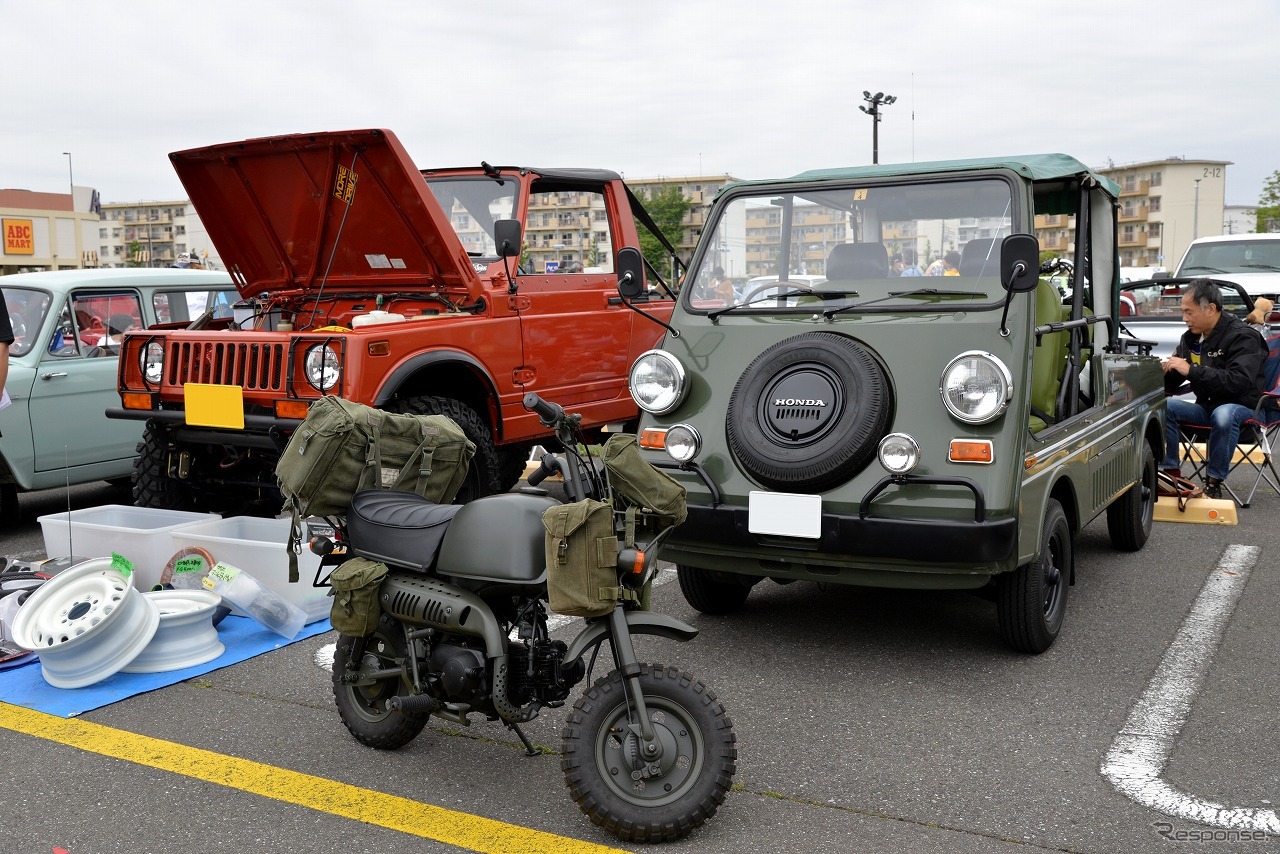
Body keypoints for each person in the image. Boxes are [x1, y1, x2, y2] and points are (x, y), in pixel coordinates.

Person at [1161, 278, 1268, 499]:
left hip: (1245, 411)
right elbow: (1175, 381)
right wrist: (1165, 372)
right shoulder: (1190, 338)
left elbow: (1239, 381)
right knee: (1165, 405)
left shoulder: (1244, 336)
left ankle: (1213, 482)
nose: (1185, 319)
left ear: (1210, 309)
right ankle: (1171, 475)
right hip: (1206, 409)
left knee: (1224, 412)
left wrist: (1191, 371)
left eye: (1189, 312)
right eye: (1183, 312)